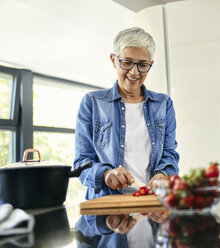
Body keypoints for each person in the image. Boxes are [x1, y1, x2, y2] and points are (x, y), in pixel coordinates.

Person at [74, 27, 180, 200]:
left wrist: (163, 175)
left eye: (142, 65)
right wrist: (106, 174)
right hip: (107, 206)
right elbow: (81, 164)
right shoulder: (92, 102)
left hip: (152, 202)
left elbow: (169, 154)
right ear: (113, 60)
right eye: (127, 62)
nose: (134, 72)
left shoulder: (163, 104)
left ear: (150, 64)